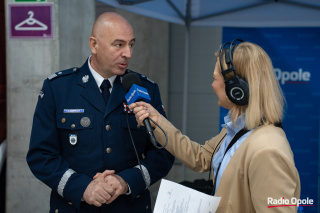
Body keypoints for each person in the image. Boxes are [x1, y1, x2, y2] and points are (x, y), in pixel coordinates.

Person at [26, 12, 174, 213]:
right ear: (94, 45)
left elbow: (163, 151)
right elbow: (41, 155)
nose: (128, 54)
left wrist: (126, 181)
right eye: (119, 45)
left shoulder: (144, 89)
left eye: (131, 44)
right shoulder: (58, 88)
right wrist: (82, 188)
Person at [130, 40, 301, 212]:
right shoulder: (238, 129)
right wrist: (157, 121)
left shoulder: (268, 150)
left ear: (237, 89)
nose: (212, 85)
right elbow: (200, 157)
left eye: (214, 79)